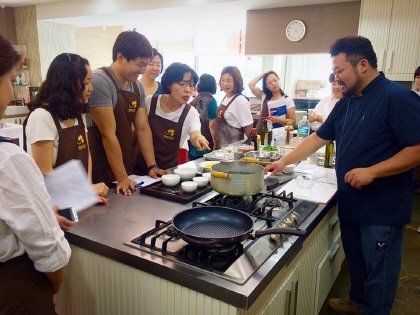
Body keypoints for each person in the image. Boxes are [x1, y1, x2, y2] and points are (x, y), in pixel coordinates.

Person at [266, 36, 420, 315]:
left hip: (382, 210)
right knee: (358, 264)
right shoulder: (346, 103)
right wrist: (283, 161)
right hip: (351, 202)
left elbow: (417, 149)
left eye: (339, 71)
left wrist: (373, 171)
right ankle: (358, 303)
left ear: (362, 65)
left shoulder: (397, 98)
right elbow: (318, 138)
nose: (336, 78)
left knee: (379, 274)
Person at [0, 34, 71, 315]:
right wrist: (48, 289)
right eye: (9, 79)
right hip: (14, 290)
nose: (10, 89)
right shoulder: (8, 160)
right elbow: (50, 254)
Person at [88, 30, 166, 196]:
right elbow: (108, 134)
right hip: (99, 164)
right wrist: (122, 177)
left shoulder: (136, 86)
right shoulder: (100, 81)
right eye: (140, 64)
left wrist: (152, 165)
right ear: (120, 57)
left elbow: (143, 128)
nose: (143, 70)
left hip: (123, 162)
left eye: (146, 64)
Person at [24, 53, 109, 204]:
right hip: (52, 205)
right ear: (69, 83)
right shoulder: (42, 117)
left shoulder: (78, 113)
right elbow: (44, 172)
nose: (91, 88)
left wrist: (87, 190)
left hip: (77, 201)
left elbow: (86, 155)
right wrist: (83, 191)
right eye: (87, 82)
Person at [134, 63, 210, 172]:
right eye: (181, 84)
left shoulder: (190, 112)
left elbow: (195, 133)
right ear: (169, 84)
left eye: (191, 85)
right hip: (139, 169)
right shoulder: (149, 102)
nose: (188, 90)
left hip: (167, 173)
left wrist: (198, 138)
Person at [213, 66, 253, 149]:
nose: (225, 84)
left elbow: (248, 127)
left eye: (228, 80)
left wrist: (242, 147)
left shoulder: (240, 100)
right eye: (223, 80)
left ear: (236, 82)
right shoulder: (226, 97)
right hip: (222, 146)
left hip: (233, 148)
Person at [188, 73, 217, 160]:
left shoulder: (193, 100)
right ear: (213, 86)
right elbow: (212, 125)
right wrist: (216, 144)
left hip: (192, 143)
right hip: (205, 143)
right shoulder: (211, 101)